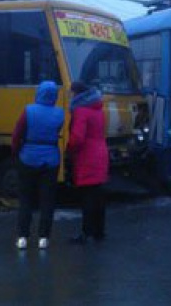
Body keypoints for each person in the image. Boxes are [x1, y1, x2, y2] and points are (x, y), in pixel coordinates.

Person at [11, 81, 64, 250]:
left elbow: (17, 133)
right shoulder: (59, 113)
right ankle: (43, 238)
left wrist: (17, 152)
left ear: (38, 93)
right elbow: (56, 132)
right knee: (47, 200)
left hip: (28, 157)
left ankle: (22, 238)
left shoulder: (28, 111)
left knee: (26, 199)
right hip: (51, 160)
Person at [67, 81, 109, 244]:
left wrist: (68, 148)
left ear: (77, 94)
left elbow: (77, 138)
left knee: (87, 197)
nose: (70, 96)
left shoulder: (81, 111)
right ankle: (99, 231)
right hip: (100, 153)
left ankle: (86, 233)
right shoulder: (98, 109)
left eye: (72, 93)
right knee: (98, 195)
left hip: (87, 156)